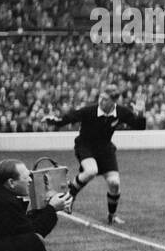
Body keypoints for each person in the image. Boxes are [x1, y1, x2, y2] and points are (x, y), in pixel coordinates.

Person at [45, 85, 147, 225]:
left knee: (114, 183)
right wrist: (53, 120)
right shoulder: (90, 111)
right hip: (85, 146)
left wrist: (141, 113)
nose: (101, 101)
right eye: (100, 97)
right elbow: (68, 118)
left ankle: (112, 215)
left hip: (105, 149)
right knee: (91, 171)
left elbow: (139, 126)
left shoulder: (120, 112)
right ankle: (70, 196)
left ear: (114, 101)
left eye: (105, 99)